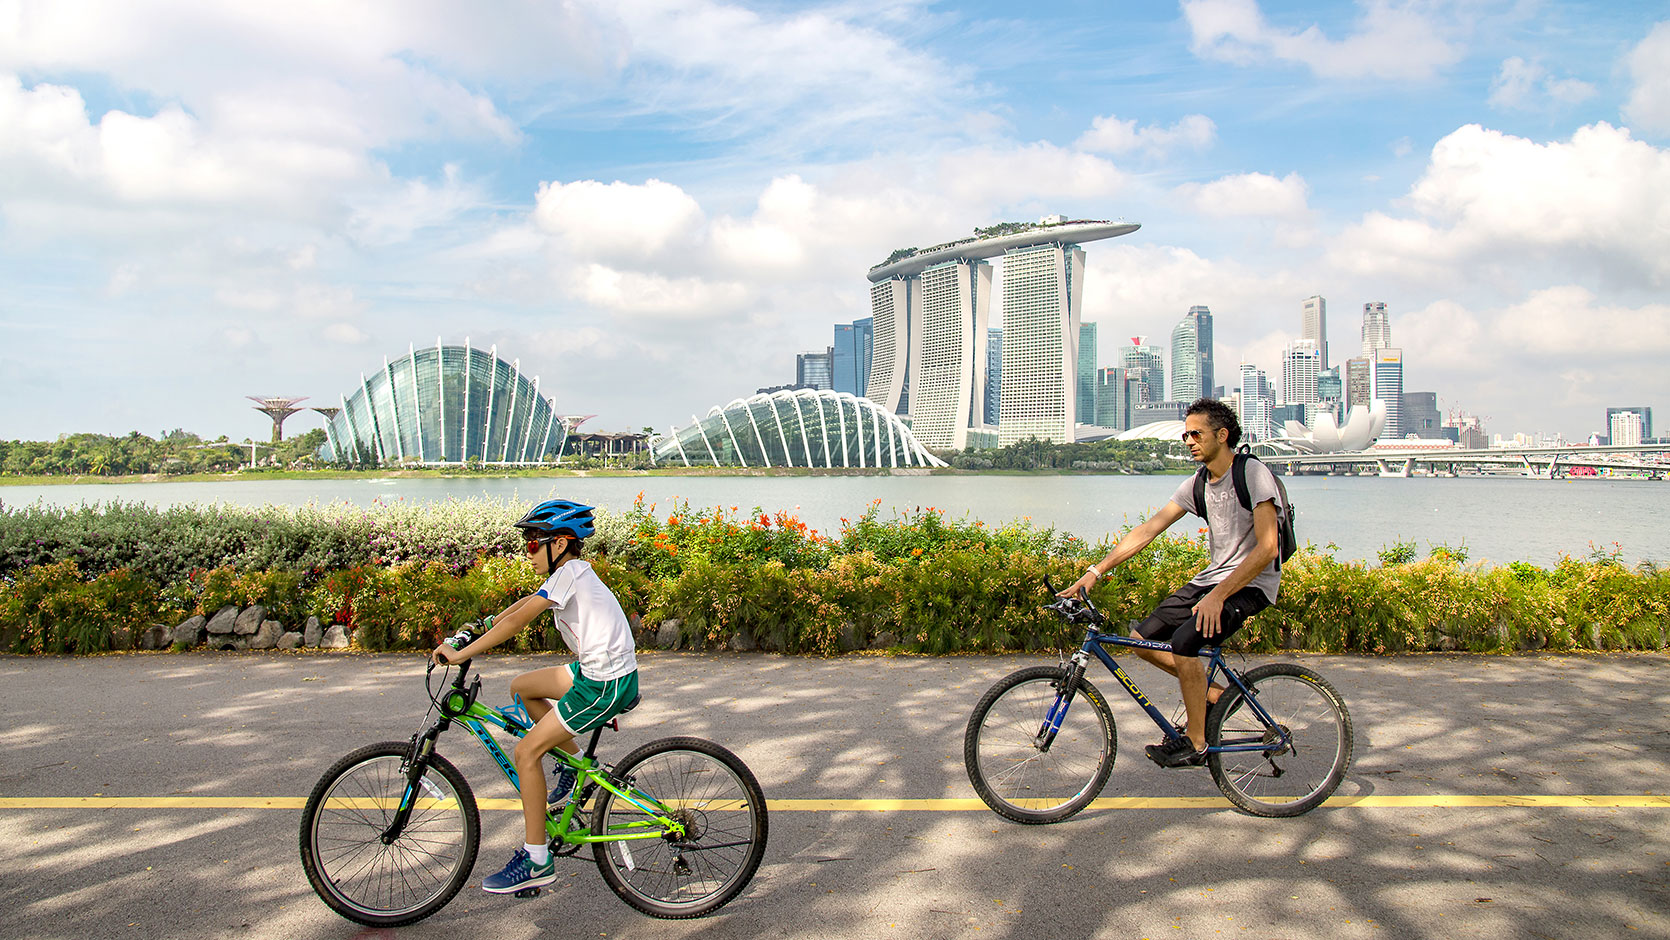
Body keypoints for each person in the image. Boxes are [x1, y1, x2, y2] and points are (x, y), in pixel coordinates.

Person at [429, 497, 640, 894]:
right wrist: (483, 625)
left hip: (604, 682)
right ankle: (576, 765)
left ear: (558, 544)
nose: (527, 552)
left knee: (527, 752)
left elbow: (521, 621)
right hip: (598, 671)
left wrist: (462, 653)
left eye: (531, 543)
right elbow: (522, 606)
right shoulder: (570, 574)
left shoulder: (570, 574)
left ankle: (537, 859)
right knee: (522, 689)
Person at [1060, 398, 1283, 769]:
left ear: (1222, 435)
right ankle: (1218, 696)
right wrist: (1094, 572)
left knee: (1185, 644)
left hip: (1250, 585)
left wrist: (1218, 596)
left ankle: (1196, 743)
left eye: (1196, 433)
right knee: (1141, 641)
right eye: (1185, 435)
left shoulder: (1252, 474)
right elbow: (1149, 529)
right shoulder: (1198, 483)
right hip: (1212, 581)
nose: (1188, 441)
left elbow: (1268, 548)